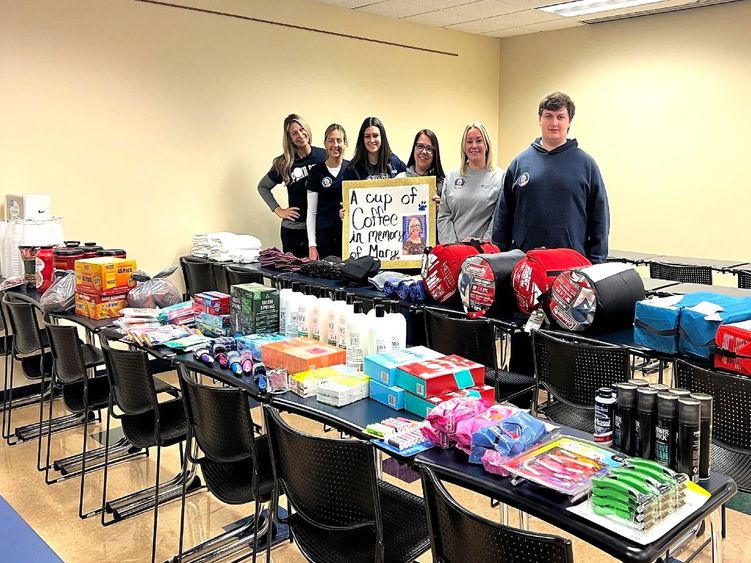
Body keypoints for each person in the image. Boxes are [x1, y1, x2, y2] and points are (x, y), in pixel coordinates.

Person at [491, 91, 610, 263]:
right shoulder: (520, 163)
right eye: (548, 116)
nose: (554, 123)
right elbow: (503, 216)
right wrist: (499, 259)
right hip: (525, 264)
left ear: (569, 122)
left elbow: (600, 219)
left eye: (560, 117)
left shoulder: (586, 165)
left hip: (571, 266)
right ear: (540, 119)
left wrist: (597, 263)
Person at [257, 114, 326, 258]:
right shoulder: (284, 162)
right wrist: (278, 210)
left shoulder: (324, 156)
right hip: (295, 231)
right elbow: (263, 187)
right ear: (289, 138)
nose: (300, 135)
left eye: (302, 129)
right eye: (294, 133)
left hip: (321, 229)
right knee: (294, 277)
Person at [437, 122, 504, 243]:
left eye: (479, 141)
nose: (474, 145)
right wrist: (454, 246)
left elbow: (499, 218)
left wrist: (481, 245)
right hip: (454, 252)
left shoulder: (500, 178)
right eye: (469, 141)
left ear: (487, 144)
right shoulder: (451, 177)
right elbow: (444, 216)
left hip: (485, 253)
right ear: (464, 146)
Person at [306, 124, 349, 260]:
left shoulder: (353, 169)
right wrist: (312, 245)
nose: (335, 145)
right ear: (325, 143)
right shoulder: (316, 172)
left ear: (345, 144)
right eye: (331, 140)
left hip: (348, 239)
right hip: (324, 239)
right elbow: (311, 212)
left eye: (339, 140)